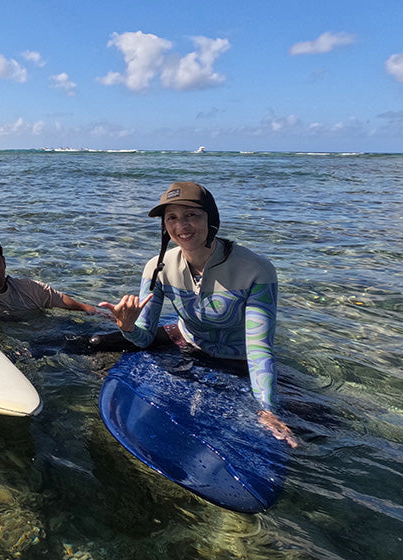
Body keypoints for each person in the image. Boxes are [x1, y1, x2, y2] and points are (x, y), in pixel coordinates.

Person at [96, 181, 297, 447]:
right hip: (186, 343)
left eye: (192, 215)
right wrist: (128, 326)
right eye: (172, 218)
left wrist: (268, 409)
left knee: (319, 424)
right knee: (96, 344)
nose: (182, 226)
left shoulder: (256, 270)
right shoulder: (158, 267)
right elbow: (143, 339)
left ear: (211, 218)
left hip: (238, 360)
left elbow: (260, 349)